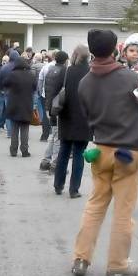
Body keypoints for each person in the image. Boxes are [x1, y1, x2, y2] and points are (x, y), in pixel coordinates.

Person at [71, 29, 138, 276]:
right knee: (123, 210)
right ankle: (118, 264)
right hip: (127, 152)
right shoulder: (131, 79)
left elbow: (88, 117)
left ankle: (81, 258)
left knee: (95, 205)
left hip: (99, 150)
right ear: (115, 51)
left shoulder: (85, 83)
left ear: (92, 51)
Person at [53, 45, 91, 198]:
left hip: (66, 117)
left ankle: (58, 184)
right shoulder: (91, 73)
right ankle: (74, 189)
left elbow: (56, 91)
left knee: (63, 152)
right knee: (79, 155)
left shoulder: (67, 71)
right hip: (84, 119)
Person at [3, 56, 36, 157]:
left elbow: (5, 84)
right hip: (27, 103)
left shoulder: (12, 74)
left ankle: (13, 150)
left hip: (14, 104)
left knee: (14, 128)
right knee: (25, 128)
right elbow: (35, 87)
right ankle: (25, 150)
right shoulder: (31, 75)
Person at [41, 51, 69, 173]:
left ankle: (45, 160)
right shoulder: (64, 71)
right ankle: (55, 163)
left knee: (53, 135)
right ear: (65, 60)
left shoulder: (50, 69)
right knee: (58, 136)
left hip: (49, 105)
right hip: (57, 107)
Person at [0, 50, 21, 137]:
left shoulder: (4, 68)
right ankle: (17, 131)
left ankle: (10, 132)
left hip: (7, 93)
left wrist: (1, 89)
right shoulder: (20, 67)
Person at [37, 50, 55, 143]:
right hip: (57, 95)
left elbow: (40, 80)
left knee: (45, 114)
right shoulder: (63, 67)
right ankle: (55, 135)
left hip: (46, 94)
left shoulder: (45, 67)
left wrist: (40, 92)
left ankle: (44, 135)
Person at [0, 55, 10, 133]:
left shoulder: (9, 69)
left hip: (6, 91)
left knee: (5, 109)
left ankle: (3, 125)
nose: (4, 62)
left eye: (6, 61)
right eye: (3, 60)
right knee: (0, 108)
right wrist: (1, 89)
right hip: (0, 91)